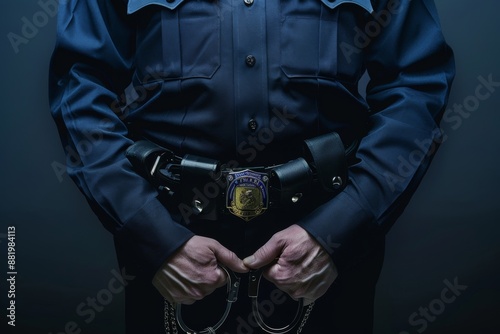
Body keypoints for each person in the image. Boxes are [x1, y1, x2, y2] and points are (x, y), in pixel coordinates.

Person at [49, 0, 455, 333]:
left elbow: (416, 83)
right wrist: (153, 238)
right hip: (174, 250)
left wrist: (339, 231)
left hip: (326, 255)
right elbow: (80, 87)